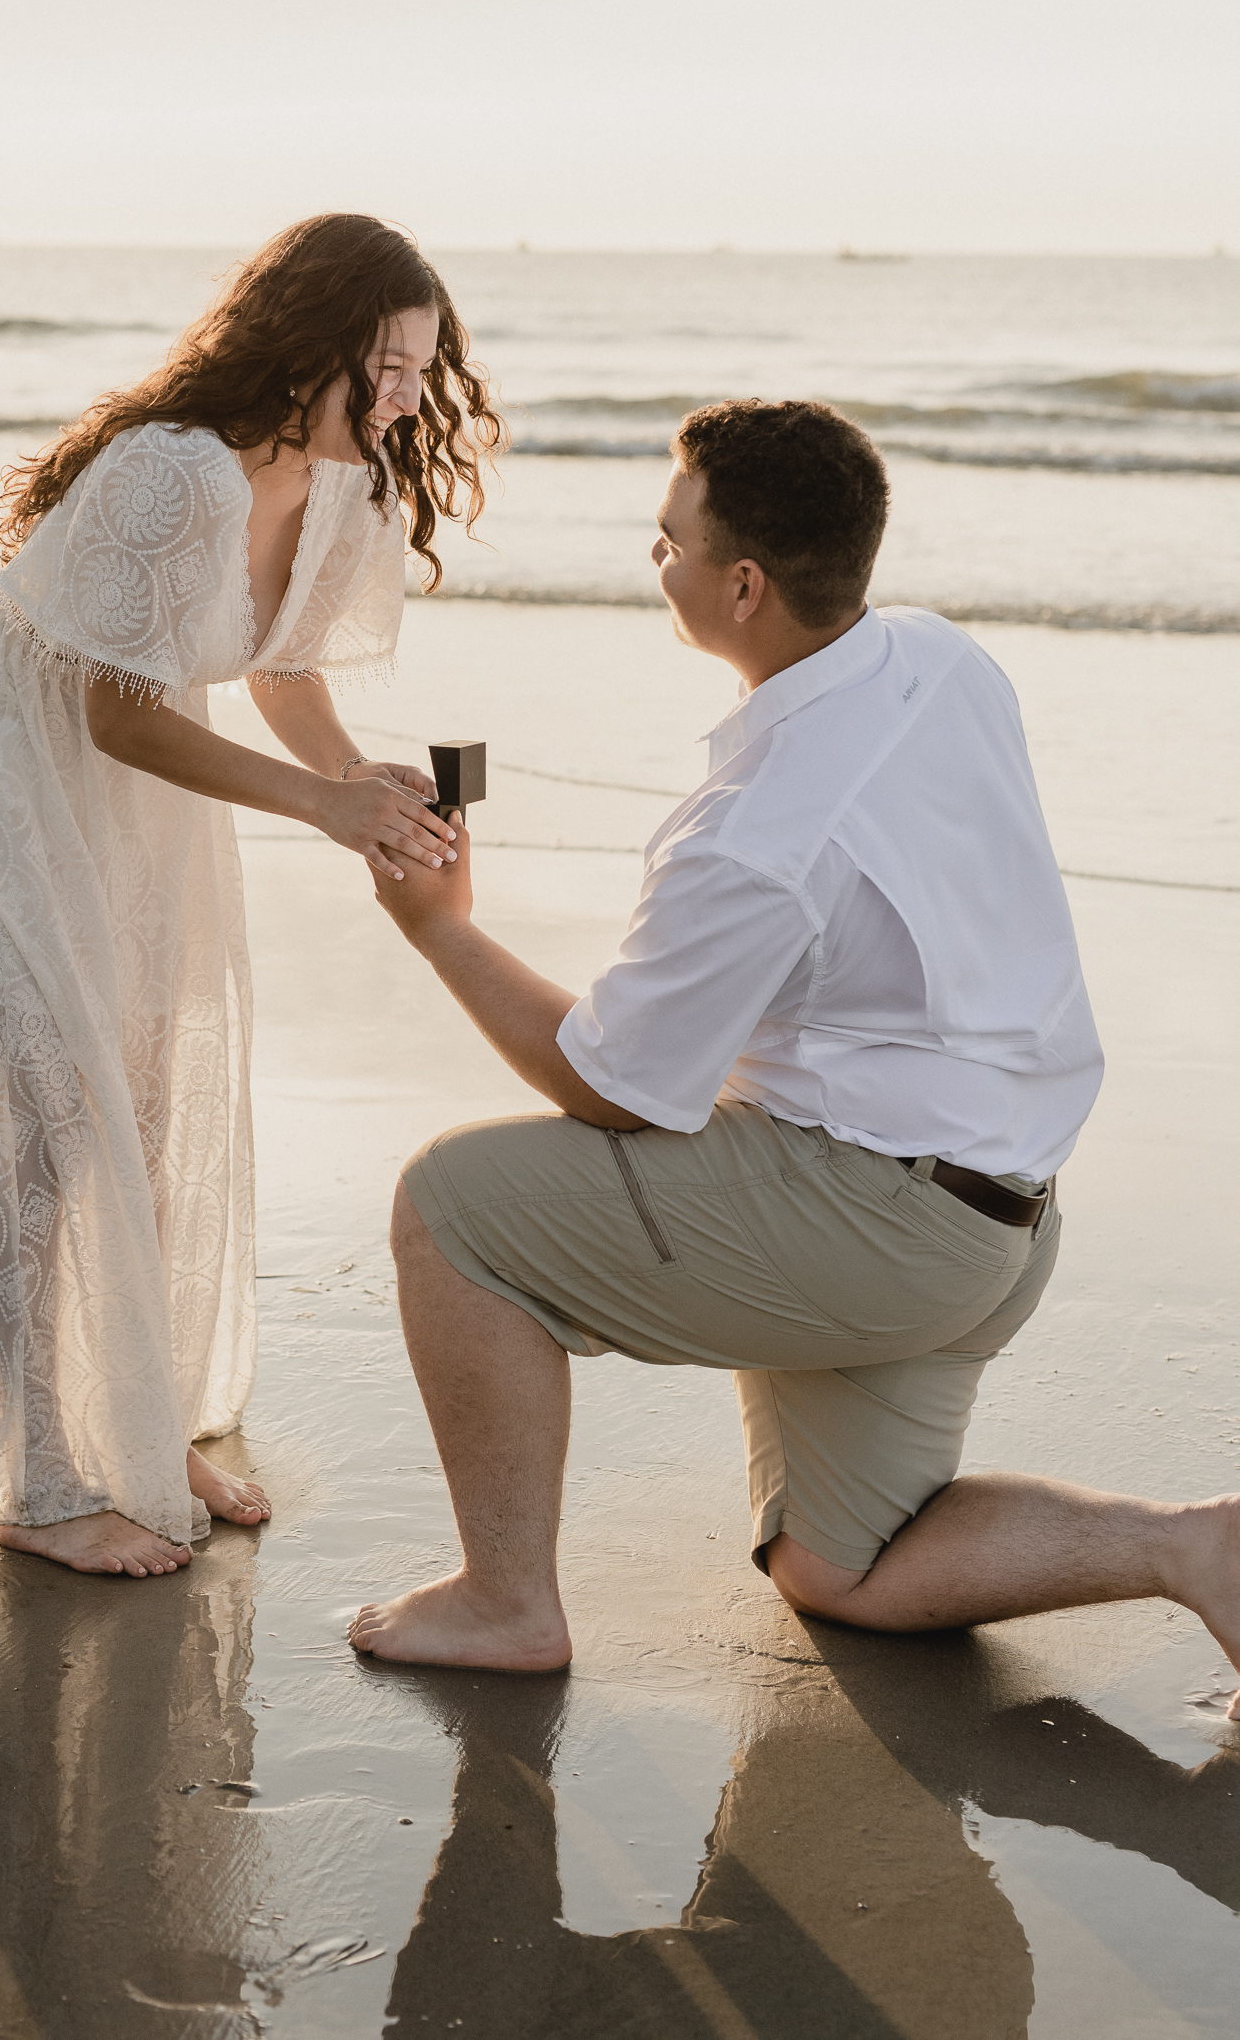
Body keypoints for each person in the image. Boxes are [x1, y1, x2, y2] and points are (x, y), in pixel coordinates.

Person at [349, 398, 1240, 1709]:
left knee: (452, 1205)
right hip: (1001, 1217)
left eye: (669, 542)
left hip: (878, 1224)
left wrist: (438, 926)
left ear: (743, 583)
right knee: (842, 1569)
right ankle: (1195, 1543)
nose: (654, 559)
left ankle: (503, 1601)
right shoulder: (938, 659)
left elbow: (613, 1084)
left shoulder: (754, 831)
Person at [0, 214, 500, 1577]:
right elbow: (117, 714)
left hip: (137, 806)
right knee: (44, 1118)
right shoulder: (170, 472)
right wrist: (319, 805)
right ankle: (39, 1474)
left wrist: (367, 790)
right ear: (308, 347)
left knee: (151, 1103)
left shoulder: (343, 486)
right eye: (391, 365)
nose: (412, 396)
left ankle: (140, 1424)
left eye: (424, 370)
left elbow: (283, 673)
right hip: (0, 774)